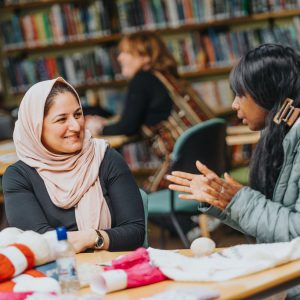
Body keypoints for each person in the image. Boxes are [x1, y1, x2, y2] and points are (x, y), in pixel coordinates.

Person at [167, 44, 300, 246]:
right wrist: (222, 201)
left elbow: (295, 233)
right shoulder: (279, 133)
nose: (234, 105)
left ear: (267, 92)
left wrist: (237, 200)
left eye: (240, 94)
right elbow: (271, 225)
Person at [2, 77, 145, 253]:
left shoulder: (105, 158)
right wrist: (105, 237)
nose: (76, 126)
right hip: (55, 275)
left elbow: (134, 232)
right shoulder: (19, 176)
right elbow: (38, 244)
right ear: (36, 127)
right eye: (62, 119)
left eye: (78, 115)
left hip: (110, 270)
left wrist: (91, 237)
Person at [85, 32, 177, 136]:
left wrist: (98, 129)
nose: (119, 58)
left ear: (145, 56)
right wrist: (109, 123)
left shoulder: (142, 79)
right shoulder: (165, 76)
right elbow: (135, 119)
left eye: (126, 52)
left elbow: (128, 127)